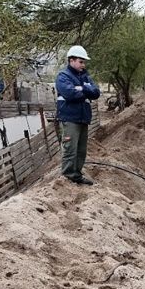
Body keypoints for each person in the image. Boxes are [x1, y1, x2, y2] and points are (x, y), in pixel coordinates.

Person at [56, 45, 101, 185]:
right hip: (70, 118)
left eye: (84, 62)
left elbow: (96, 93)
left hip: (83, 118)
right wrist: (86, 90)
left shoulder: (85, 76)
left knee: (81, 150)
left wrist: (83, 88)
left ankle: (77, 174)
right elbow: (70, 94)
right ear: (72, 60)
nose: (83, 64)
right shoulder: (63, 76)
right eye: (81, 61)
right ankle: (68, 176)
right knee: (71, 149)